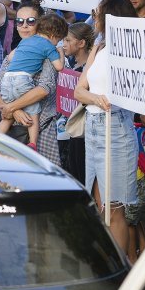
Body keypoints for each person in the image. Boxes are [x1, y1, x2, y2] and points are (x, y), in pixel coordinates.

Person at [74, 0, 139, 254]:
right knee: (101, 204)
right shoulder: (99, 46)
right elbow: (79, 90)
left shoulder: (134, 49)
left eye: (98, 12)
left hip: (117, 128)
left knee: (115, 208)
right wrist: (96, 99)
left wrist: (105, 101)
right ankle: (111, 264)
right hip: (94, 124)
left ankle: (121, 274)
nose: (95, 17)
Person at [0, 0, 60, 164]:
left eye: (30, 21)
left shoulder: (47, 51)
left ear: (41, 24)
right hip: (11, 131)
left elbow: (44, 88)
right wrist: (13, 111)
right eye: (20, 21)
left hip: (40, 132)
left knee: (39, 186)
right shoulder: (13, 54)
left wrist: (12, 107)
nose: (24, 26)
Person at [0, 14, 67, 148]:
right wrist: (60, 53)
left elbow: (11, 58)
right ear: (53, 35)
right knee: (34, 111)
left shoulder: (25, 41)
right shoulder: (49, 46)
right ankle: (33, 143)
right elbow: (59, 67)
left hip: (7, 80)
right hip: (22, 80)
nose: (57, 43)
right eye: (58, 40)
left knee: (8, 116)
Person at [58, 21, 94, 182]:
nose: (64, 44)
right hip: (70, 130)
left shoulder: (89, 70)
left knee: (82, 173)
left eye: (67, 40)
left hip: (83, 131)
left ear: (81, 43)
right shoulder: (71, 64)